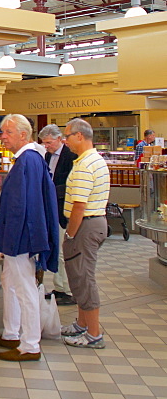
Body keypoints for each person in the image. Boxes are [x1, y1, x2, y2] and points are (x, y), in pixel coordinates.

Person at [0, 114, 59, 362]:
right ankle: (11, 333)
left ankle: (30, 344)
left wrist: (8, 241)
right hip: (19, 236)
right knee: (10, 282)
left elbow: (21, 207)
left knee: (25, 288)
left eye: (7, 132)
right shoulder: (31, 159)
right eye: (1, 132)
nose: (2, 137)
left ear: (23, 134)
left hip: (20, 238)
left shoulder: (27, 160)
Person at [60, 117, 110, 349]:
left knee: (84, 277)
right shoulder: (94, 160)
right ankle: (82, 323)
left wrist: (70, 235)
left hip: (85, 225)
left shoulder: (85, 165)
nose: (65, 140)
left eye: (68, 136)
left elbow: (79, 206)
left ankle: (93, 333)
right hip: (94, 223)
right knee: (79, 277)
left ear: (80, 136)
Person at [39, 124, 75, 305]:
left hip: (63, 210)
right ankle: (58, 287)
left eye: (49, 142)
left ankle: (67, 290)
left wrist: (53, 190)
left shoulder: (70, 157)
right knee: (55, 249)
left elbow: (71, 185)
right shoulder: (47, 156)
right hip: (51, 209)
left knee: (63, 251)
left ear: (60, 139)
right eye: (44, 143)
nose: (47, 146)